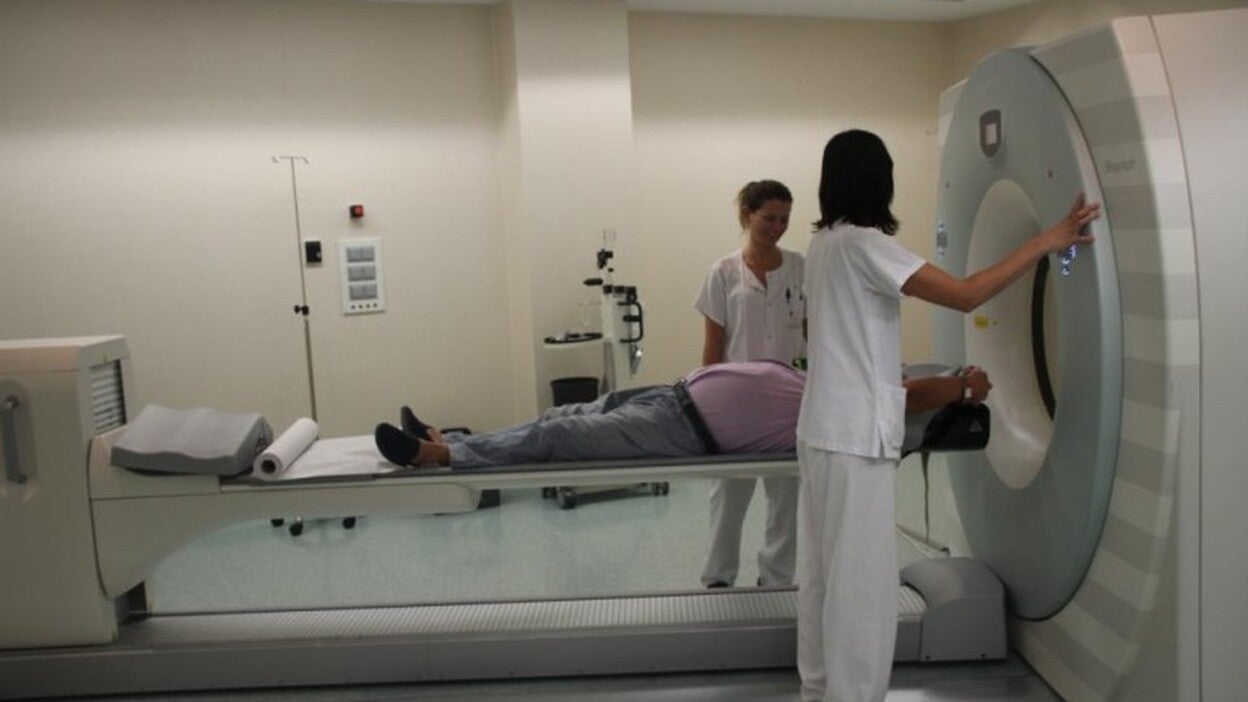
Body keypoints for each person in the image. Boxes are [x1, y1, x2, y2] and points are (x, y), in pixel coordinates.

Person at [795, 128, 1099, 702]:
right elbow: (965, 294)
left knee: (822, 575)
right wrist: (1046, 240)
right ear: (879, 181)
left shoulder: (824, 246)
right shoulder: (865, 244)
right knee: (862, 585)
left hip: (820, 432)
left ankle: (819, 690)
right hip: (855, 439)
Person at [374, 360, 990, 471]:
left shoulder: (869, 402)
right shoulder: (854, 379)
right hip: (672, 396)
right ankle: (454, 438)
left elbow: (909, 394)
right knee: (559, 414)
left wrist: (963, 388)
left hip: (683, 430)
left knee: (561, 434)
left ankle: (441, 456)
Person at [695, 179, 806, 589]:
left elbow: (814, 333)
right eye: (768, 218)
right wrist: (705, 406)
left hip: (788, 401)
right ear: (746, 214)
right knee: (728, 495)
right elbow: (713, 345)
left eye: (784, 219)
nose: (777, 227)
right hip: (735, 404)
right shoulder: (723, 272)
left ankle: (776, 579)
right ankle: (718, 578)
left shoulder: (800, 268)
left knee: (786, 498)